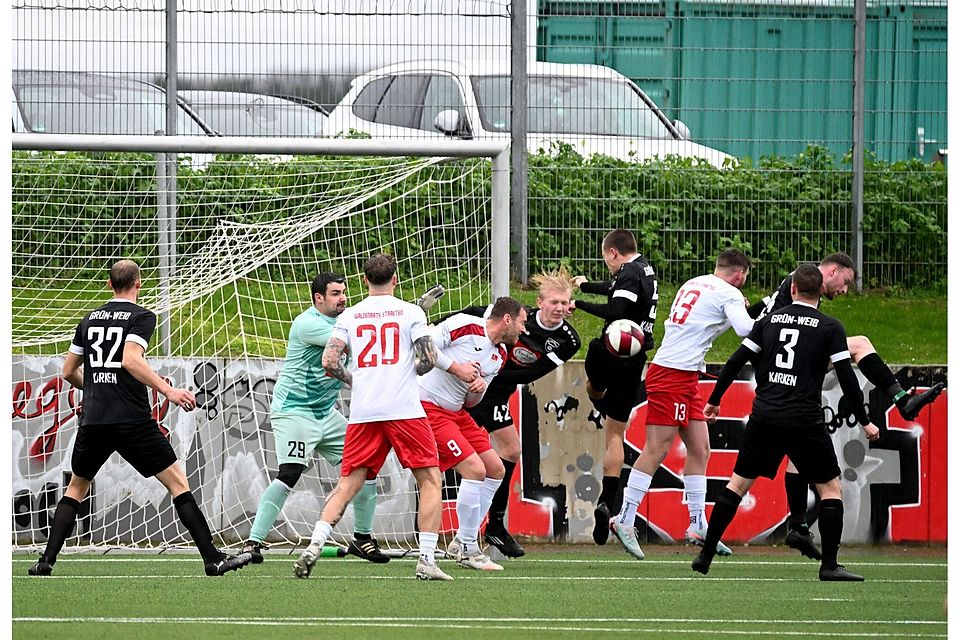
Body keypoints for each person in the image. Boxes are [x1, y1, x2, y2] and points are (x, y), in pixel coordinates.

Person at [29, 260, 252, 577]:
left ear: (109, 285)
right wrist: (168, 391)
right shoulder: (141, 317)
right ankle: (212, 559)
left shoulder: (89, 319)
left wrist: (94, 389)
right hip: (131, 418)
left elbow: (68, 372)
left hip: (94, 418)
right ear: (139, 283)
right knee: (177, 482)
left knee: (77, 487)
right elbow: (130, 359)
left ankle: (46, 561)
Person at [691, 264, 880, 581]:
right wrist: (864, 420)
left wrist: (714, 400)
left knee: (737, 485)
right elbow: (847, 377)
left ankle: (705, 555)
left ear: (792, 289)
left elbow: (736, 360)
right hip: (804, 418)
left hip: (765, 414)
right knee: (830, 490)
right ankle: (830, 566)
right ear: (820, 291)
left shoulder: (767, 322)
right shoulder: (830, 327)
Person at [751, 252, 944, 560]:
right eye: (846, 282)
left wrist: (739, 313)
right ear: (833, 270)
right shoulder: (802, 286)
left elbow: (762, 309)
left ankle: (798, 524)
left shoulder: (796, 282)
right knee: (859, 344)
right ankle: (903, 400)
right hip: (784, 367)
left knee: (796, 452)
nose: (844, 290)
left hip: (778, 371)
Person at [292, 253, 452, 581]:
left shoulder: (350, 315)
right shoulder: (412, 312)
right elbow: (428, 359)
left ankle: (314, 545)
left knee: (348, 483)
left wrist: (356, 380)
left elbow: (330, 361)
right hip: (404, 410)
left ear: (365, 281)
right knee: (430, 479)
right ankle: (426, 560)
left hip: (364, 411)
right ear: (396, 278)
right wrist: (408, 371)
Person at [608, 249, 753, 560]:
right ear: (740, 275)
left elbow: (702, 325)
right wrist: (767, 316)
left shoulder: (695, 282)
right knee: (657, 448)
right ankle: (625, 518)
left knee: (701, 448)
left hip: (685, 374)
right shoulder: (729, 292)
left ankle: (698, 523)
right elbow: (746, 331)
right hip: (672, 373)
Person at [241, 272, 386, 565]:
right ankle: (253, 542)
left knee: (365, 467)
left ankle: (362, 538)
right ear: (318, 298)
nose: (342, 298)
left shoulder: (346, 321)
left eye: (344, 292)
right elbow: (352, 342)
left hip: (326, 413)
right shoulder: (308, 324)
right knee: (291, 472)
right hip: (295, 411)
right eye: (335, 293)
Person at [459, 268, 581, 558]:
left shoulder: (569, 340)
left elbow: (530, 374)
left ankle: (493, 526)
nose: (560, 309)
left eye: (565, 303)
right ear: (539, 302)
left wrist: (493, 371)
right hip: (470, 388)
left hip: (496, 391)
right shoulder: (516, 316)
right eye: (554, 302)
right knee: (476, 459)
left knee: (510, 452)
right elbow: (473, 313)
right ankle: (477, 530)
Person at [420, 297, 527, 570]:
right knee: (474, 470)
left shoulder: (500, 355)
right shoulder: (465, 325)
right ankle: (469, 548)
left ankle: (461, 540)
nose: (524, 330)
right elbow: (424, 346)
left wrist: (476, 390)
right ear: (507, 320)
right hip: (428, 406)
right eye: (522, 323)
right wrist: (458, 369)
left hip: (457, 412)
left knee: (495, 469)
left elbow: (471, 403)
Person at [570, 229, 659, 545]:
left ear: (612, 253)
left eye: (605, 259)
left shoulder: (629, 274)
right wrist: (587, 285)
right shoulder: (645, 270)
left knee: (594, 386)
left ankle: (600, 399)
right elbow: (616, 290)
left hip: (610, 351)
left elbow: (616, 310)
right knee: (615, 433)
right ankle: (607, 501)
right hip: (636, 359)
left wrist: (577, 303)